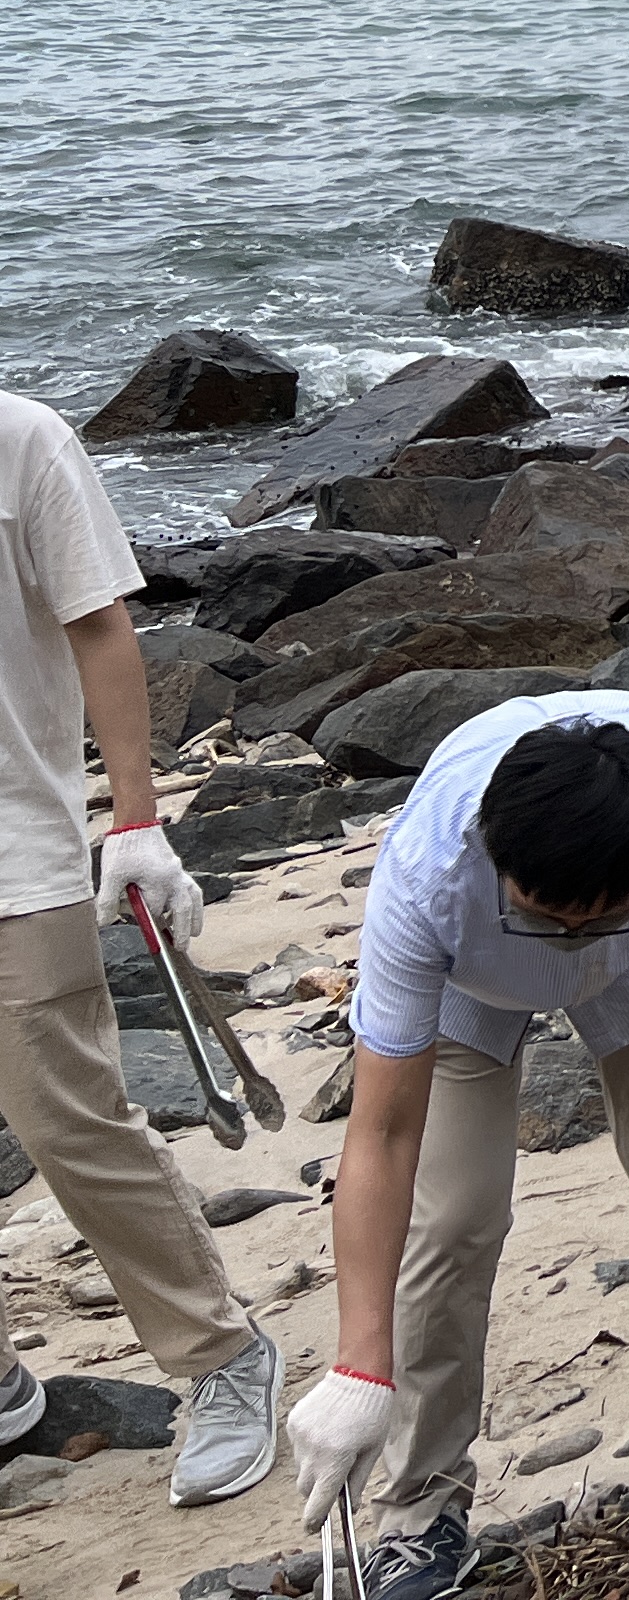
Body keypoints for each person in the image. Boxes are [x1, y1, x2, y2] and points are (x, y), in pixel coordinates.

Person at [284, 696, 629, 1600]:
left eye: (590, 916)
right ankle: (418, 1514)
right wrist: (359, 1363)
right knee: (451, 1224)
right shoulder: (432, 872)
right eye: (548, 913)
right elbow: (384, 1130)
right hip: (471, 975)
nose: (568, 936)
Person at [0, 392, 281, 1506]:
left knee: (70, 1122)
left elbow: (102, 624)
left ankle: (222, 1354)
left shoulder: (23, 441)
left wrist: (136, 816)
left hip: (16, 853)